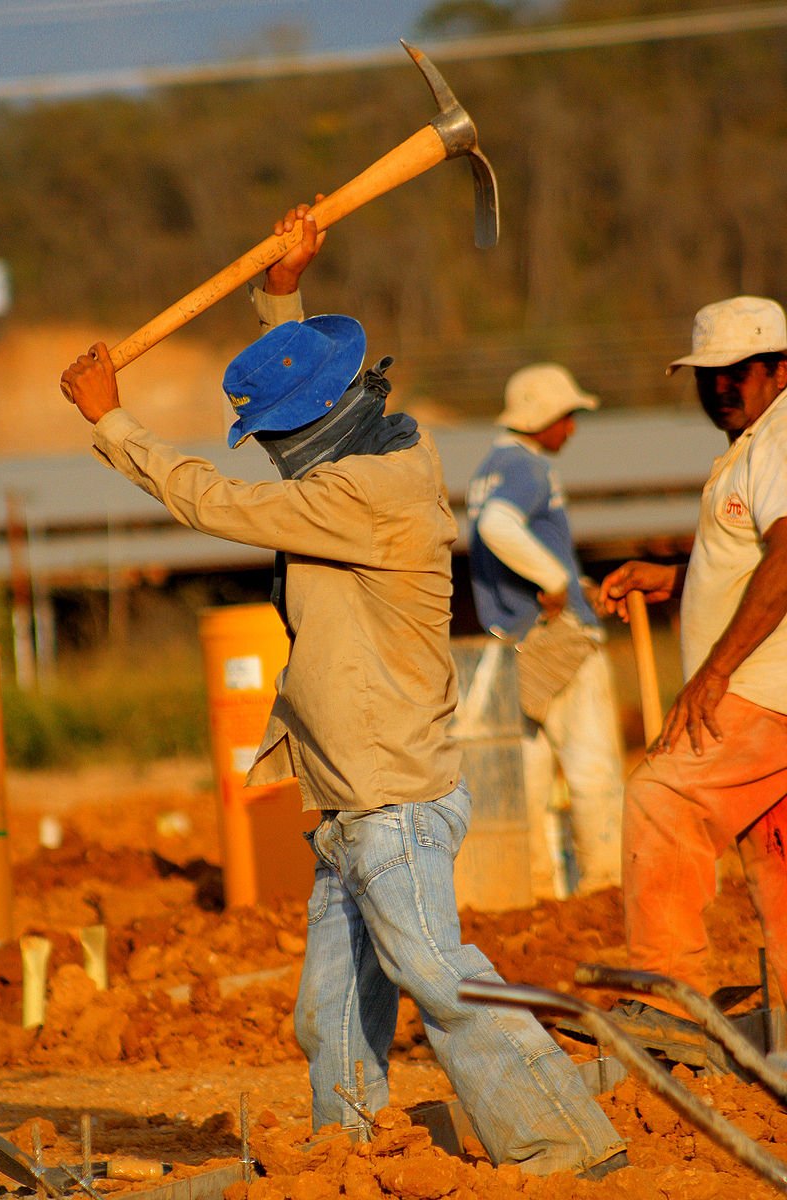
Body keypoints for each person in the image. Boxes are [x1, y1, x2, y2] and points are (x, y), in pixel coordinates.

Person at [60, 204, 626, 1178]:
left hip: (390, 797)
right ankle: (346, 1159)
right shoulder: (378, 452)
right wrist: (283, 296)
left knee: (441, 979)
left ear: (315, 432)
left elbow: (215, 500)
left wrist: (114, 423)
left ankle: (569, 1150)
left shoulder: (360, 496)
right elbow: (305, 392)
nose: (271, 451)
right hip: (354, 799)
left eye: (277, 436)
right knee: (330, 1015)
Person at [598, 294, 787, 1016]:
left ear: (780, 370)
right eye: (709, 375)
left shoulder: (780, 437)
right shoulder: (755, 442)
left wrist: (714, 672)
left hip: (761, 690)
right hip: (764, 690)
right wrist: (676, 579)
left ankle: (668, 1000)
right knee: (777, 867)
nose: (720, 387)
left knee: (663, 799)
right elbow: (750, 565)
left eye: (738, 372)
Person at [467, 364, 624, 898]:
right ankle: (605, 885)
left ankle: (535, 892)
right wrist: (556, 582)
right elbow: (498, 526)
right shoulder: (528, 467)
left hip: (513, 645)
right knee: (592, 767)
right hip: (558, 641)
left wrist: (575, 582)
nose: (572, 428)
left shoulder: (489, 467)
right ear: (543, 418)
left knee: (528, 777)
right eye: (567, 416)